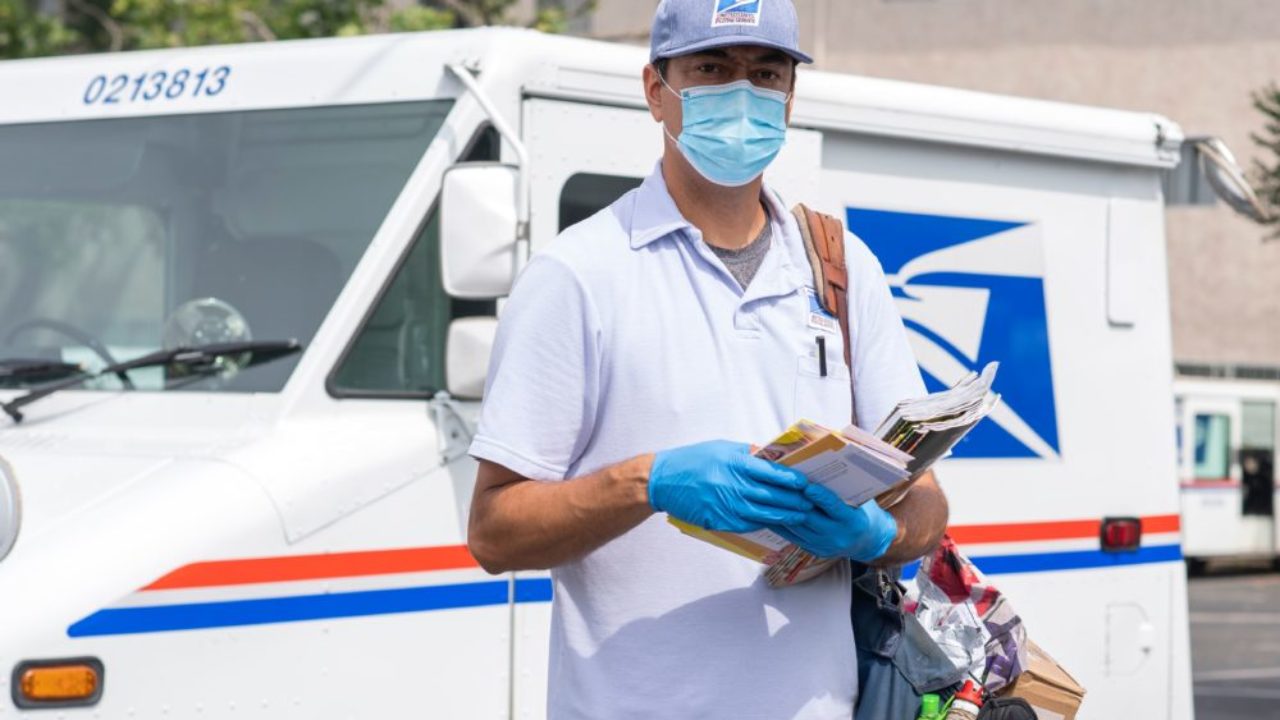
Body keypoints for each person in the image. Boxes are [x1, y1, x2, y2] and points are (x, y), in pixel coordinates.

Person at [466, 1, 950, 717]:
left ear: (791, 97)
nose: (743, 93)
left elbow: (929, 504)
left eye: (766, 73)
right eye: (712, 68)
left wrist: (876, 534)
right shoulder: (579, 275)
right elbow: (495, 532)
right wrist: (647, 483)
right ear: (655, 89)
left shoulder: (842, 267)